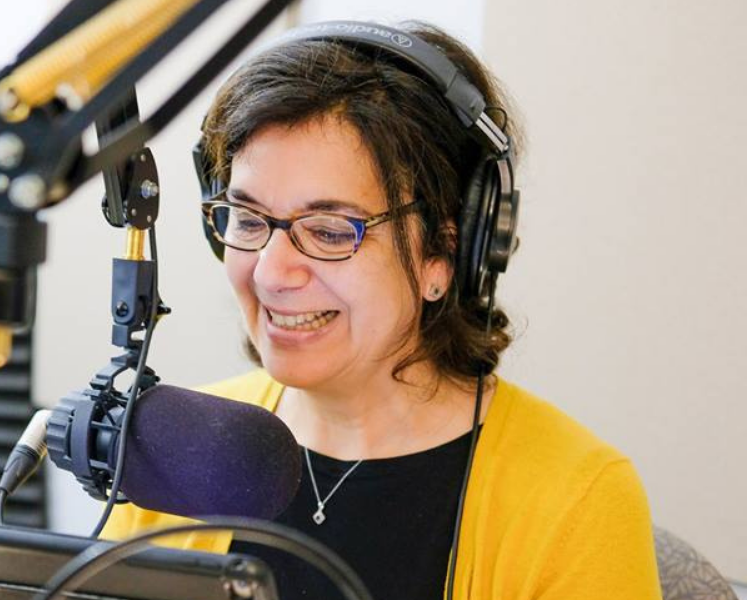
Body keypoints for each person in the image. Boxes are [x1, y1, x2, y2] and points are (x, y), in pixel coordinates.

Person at [100, 21, 662, 600]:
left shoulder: (578, 498)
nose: (270, 272)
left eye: (328, 230)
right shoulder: (176, 446)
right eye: (247, 220)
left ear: (446, 252)